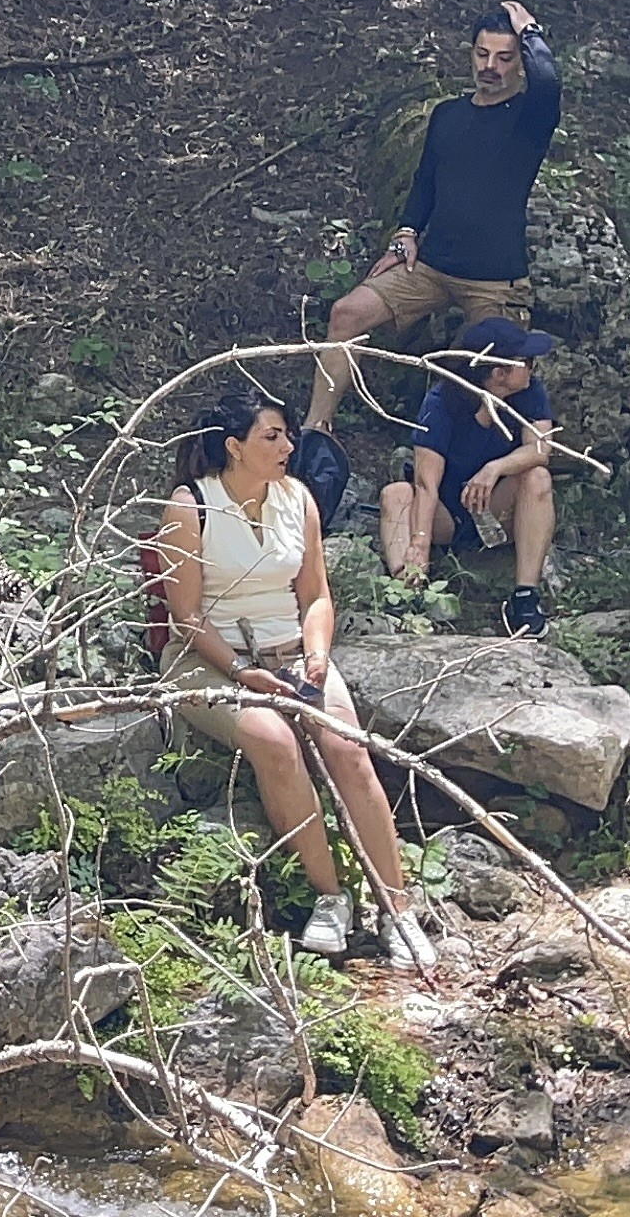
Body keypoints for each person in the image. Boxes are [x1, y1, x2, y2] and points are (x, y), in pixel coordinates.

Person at [154, 387, 441, 969]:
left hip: (290, 651)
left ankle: (397, 908)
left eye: (288, 435)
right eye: (273, 436)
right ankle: (330, 897)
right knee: (275, 741)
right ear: (234, 447)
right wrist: (242, 672)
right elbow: (185, 617)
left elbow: (315, 596)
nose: (288, 446)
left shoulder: (298, 499)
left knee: (348, 748)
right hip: (209, 658)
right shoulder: (190, 507)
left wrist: (316, 656)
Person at [310, 0, 561, 430]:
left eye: (504, 58)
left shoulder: (529, 118)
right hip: (430, 266)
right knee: (346, 314)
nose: (490, 67)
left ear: (521, 63)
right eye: (482, 54)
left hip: (495, 280)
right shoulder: (448, 115)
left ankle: (472, 460)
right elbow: (425, 181)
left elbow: (549, 83)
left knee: (488, 371)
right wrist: (406, 232)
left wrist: (530, 32)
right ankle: (316, 432)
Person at [378, 317, 561, 637]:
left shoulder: (530, 392)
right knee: (395, 495)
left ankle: (525, 598)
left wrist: (495, 468)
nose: (533, 368)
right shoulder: (442, 402)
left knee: (538, 477)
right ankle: (406, 592)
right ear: (499, 372)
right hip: (447, 512)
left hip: (498, 506)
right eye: (527, 362)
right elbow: (426, 482)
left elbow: (539, 449)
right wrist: (420, 541)